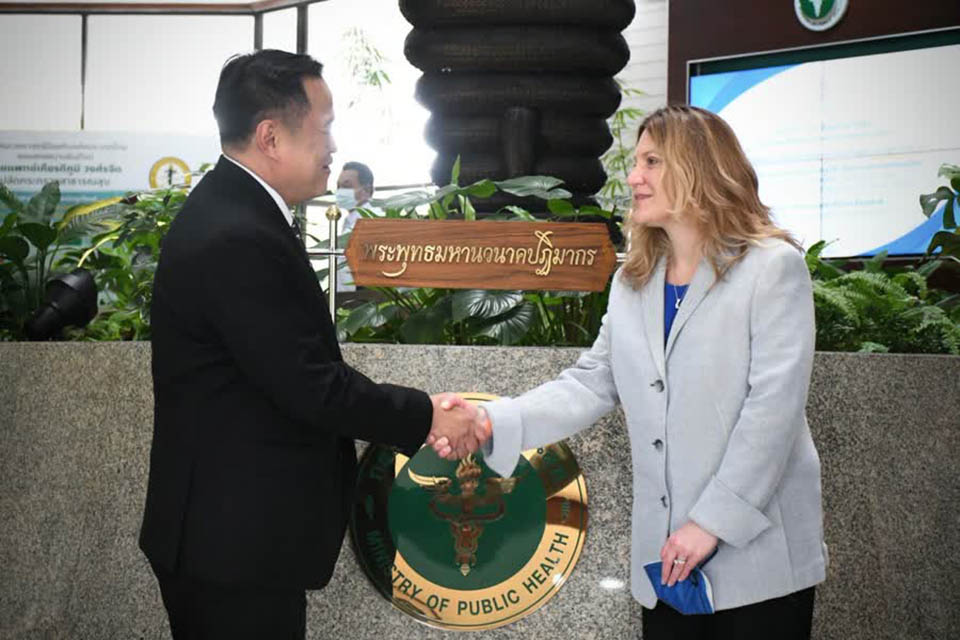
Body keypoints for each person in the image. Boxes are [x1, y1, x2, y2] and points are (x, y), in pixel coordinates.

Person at [433, 105, 826, 639]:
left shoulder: (772, 267)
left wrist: (711, 523)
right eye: (637, 162)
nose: (634, 177)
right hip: (664, 565)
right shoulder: (634, 281)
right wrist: (488, 420)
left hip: (758, 563)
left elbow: (773, 411)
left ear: (700, 167)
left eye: (652, 162)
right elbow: (592, 380)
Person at [139, 50, 484, 639]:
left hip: (232, 538)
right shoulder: (236, 234)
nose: (333, 145)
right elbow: (310, 385)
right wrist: (426, 414)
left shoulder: (236, 211)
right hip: (231, 546)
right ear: (270, 137)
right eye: (325, 127)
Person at [333, 161, 375, 292]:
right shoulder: (349, 220)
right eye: (338, 186)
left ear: (366, 190)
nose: (340, 192)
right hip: (346, 298)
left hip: (364, 298)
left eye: (346, 186)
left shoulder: (372, 221)